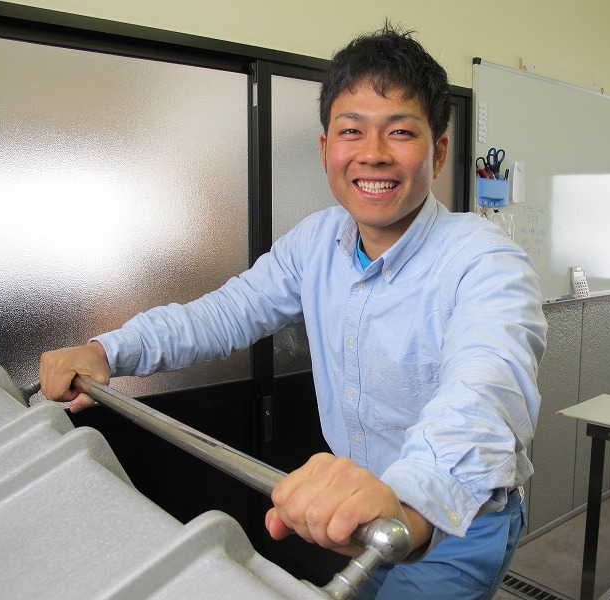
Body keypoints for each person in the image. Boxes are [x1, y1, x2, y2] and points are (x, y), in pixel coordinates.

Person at [40, 22, 547, 600]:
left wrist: (407, 500)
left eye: (400, 132)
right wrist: (109, 350)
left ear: (438, 152)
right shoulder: (317, 241)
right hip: (360, 518)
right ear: (327, 149)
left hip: (454, 517)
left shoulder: (485, 260)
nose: (373, 154)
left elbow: (486, 389)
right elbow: (225, 313)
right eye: (352, 131)